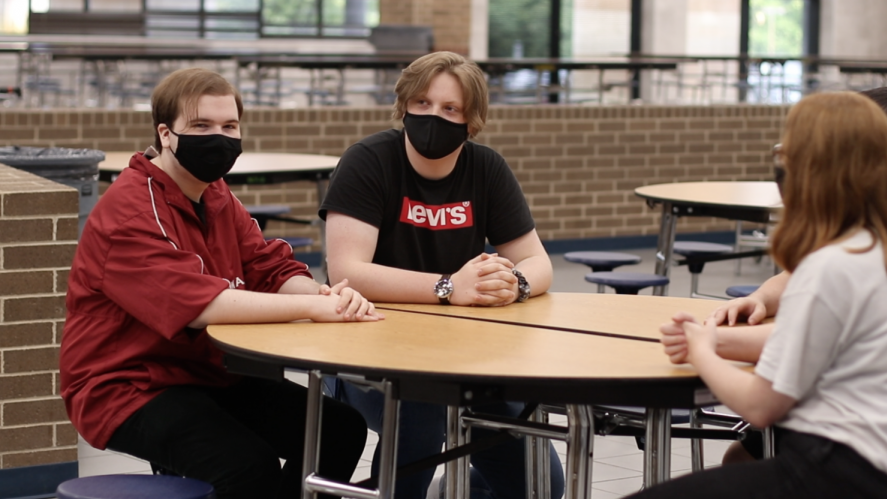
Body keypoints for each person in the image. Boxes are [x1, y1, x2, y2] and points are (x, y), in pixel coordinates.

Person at [60, 68, 383, 499]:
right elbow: (200, 305)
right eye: (201, 126)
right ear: (166, 134)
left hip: (207, 372)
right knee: (248, 467)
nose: (220, 137)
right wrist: (312, 309)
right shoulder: (130, 212)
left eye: (229, 126)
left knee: (340, 430)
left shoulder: (214, 192)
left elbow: (267, 266)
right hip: (127, 386)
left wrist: (324, 295)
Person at [628, 91, 887, 499]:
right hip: (880, 465)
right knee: (741, 461)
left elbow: (760, 406)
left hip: (837, 467)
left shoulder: (828, 266)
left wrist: (703, 350)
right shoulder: (878, 249)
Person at [318, 51, 564, 499]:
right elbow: (347, 272)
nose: (434, 116)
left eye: (450, 109)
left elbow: (537, 262)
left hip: (464, 359)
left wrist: (514, 284)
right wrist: (450, 288)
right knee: (423, 417)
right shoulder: (368, 161)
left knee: (541, 484)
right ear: (404, 107)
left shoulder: (486, 168)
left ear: (471, 121)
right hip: (369, 354)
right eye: (423, 104)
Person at [703, 86, 887, 463]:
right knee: (739, 459)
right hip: (867, 438)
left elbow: (766, 393)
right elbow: (793, 281)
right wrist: (760, 297)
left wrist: (705, 343)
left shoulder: (843, 260)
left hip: (852, 451)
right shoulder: (866, 238)